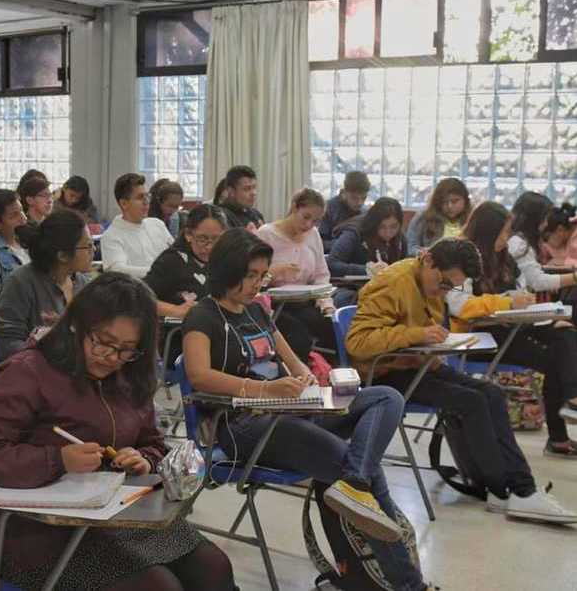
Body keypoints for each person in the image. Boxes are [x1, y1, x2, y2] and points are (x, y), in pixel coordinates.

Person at [181, 229, 428, 591]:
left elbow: (295, 363)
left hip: (291, 408)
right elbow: (199, 376)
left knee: (385, 397)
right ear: (226, 271)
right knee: (355, 468)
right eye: (249, 275)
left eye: (261, 275)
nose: (256, 284)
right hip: (244, 425)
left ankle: (355, 490)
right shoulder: (202, 316)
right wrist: (267, 390)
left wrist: (310, 384)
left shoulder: (255, 312)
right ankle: (406, 584)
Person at [0, 273, 235, 591]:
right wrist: (58, 459)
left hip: (119, 519)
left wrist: (143, 458)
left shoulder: (128, 374)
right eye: (103, 342)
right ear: (77, 324)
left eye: (126, 349)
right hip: (42, 534)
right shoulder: (28, 372)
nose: (111, 357)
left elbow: (153, 443)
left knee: (213, 567)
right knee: (158, 588)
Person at [346, 238, 577, 524]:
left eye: (450, 287)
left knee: (491, 393)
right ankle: (503, 490)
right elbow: (357, 343)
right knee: (472, 401)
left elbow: (423, 324)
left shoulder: (427, 278)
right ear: (428, 260)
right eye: (442, 283)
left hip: (417, 364)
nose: (442, 291)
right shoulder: (392, 282)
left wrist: (431, 340)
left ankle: (521, 489)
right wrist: (416, 335)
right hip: (385, 376)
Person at [447, 201, 577, 457]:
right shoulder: (460, 257)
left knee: (566, 334)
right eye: (504, 232)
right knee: (556, 359)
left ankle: (573, 402)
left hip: (511, 324)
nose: (508, 238)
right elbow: (459, 306)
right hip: (480, 336)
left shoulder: (502, 255)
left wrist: (544, 315)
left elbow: (519, 290)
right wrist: (507, 301)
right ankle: (561, 431)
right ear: (488, 231)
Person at [0, 210, 92, 359]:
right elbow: (8, 344)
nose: (94, 251)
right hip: (37, 368)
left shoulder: (83, 282)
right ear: (62, 255)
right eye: (88, 247)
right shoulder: (20, 283)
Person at [256, 188, 336, 352]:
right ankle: (301, 375)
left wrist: (326, 304)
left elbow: (321, 275)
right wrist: (274, 272)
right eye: (306, 217)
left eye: (315, 221)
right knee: (299, 338)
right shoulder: (266, 234)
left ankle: (333, 372)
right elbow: (252, 277)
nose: (308, 225)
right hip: (274, 306)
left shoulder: (313, 235)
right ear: (294, 207)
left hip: (305, 303)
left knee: (335, 328)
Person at [145, 204, 227, 319]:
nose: (209, 247)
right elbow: (140, 300)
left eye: (216, 239)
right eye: (202, 239)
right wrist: (175, 310)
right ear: (188, 234)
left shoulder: (224, 258)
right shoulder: (171, 261)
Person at [328, 197, 408, 307]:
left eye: (394, 227)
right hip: (350, 288)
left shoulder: (399, 238)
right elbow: (332, 264)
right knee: (345, 299)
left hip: (385, 289)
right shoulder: (354, 233)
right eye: (382, 227)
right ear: (374, 224)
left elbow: (404, 266)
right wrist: (366, 270)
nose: (388, 233)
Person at [100, 173, 173, 278]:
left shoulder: (157, 224)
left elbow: (176, 253)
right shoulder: (111, 236)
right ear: (124, 203)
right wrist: (159, 271)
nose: (146, 202)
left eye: (147, 196)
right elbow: (117, 270)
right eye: (140, 197)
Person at [509, 191, 577, 295]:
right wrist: (574, 278)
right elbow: (537, 281)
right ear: (534, 218)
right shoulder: (519, 244)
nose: (546, 223)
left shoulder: (520, 241)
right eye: (545, 218)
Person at [405, 177, 470, 256]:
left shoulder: (472, 219)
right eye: (444, 202)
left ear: (465, 200)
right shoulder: (423, 218)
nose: (449, 206)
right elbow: (409, 247)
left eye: (455, 201)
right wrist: (422, 252)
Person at [319, 170, 370, 252]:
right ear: (344, 192)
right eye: (354, 198)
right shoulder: (328, 209)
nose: (360, 203)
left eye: (364, 198)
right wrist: (345, 243)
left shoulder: (365, 212)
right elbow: (319, 243)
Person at [218, 166, 264, 230]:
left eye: (254, 187)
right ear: (231, 191)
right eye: (247, 189)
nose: (253, 193)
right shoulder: (221, 216)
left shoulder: (256, 214)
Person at [540, 202, 577, 266]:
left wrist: (564, 262)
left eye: (546, 238)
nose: (546, 243)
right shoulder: (549, 245)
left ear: (559, 230)